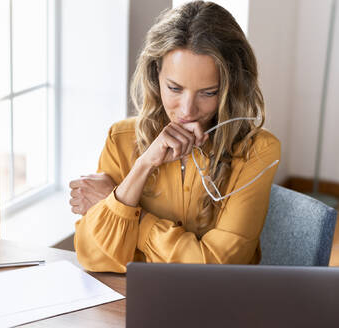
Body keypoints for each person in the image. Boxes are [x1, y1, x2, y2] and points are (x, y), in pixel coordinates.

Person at [69, 1, 280, 273]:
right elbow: (94, 257)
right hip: (132, 303)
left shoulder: (258, 151)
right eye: (175, 88)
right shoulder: (120, 139)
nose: (187, 110)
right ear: (156, 75)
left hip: (221, 307)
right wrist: (143, 165)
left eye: (209, 92)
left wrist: (135, 218)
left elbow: (214, 269)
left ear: (233, 86)